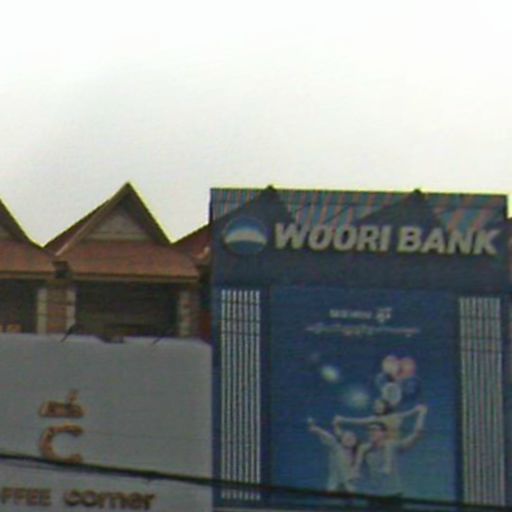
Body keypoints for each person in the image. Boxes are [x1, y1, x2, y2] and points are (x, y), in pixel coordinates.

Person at [354, 404, 428, 497]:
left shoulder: (392, 446)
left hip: (393, 495)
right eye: (369, 430)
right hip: (373, 495)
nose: (371, 432)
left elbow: (416, 434)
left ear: (384, 433)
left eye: (374, 430)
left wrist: (421, 415)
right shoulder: (364, 449)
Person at [307, 417, 359, 493]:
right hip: (335, 488)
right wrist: (317, 430)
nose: (350, 439)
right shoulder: (336, 448)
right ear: (342, 440)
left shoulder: (357, 453)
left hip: (349, 489)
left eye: (352, 437)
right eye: (347, 438)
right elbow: (330, 438)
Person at [333, 400, 425, 441]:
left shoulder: (394, 416)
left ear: (385, 406)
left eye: (379, 405)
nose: (377, 407)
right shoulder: (374, 419)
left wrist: (417, 409)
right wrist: (342, 419)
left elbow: (408, 414)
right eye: (375, 406)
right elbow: (357, 421)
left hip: (395, 444)